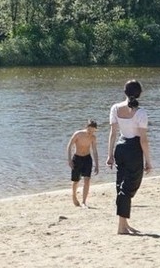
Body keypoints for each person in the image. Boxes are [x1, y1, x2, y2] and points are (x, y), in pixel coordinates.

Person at [106, 80, 152, 235]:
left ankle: (124, 223)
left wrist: (110, 154)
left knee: (121, 185)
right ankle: (121, 226)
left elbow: (113, 134)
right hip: (133, 149)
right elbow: (143, 140)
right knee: (129, 186)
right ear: (139, 94)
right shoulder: (140, 112)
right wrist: (148, 161)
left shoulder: (115, 108)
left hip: (120, 146)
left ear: (124, 92)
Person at [65, 120, 99, 208]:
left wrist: (97, 165)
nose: (90, 132)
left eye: (93, 131)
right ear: (86, 127)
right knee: (76, 181)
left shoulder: (93, 137)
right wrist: (69, 160)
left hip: (87, 158)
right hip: (77, 158)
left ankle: (84, 202)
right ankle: (74, 196)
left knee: (87, 180)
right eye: (89, 130)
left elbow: (94, 151)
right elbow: (69, 146)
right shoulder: (78, 134)